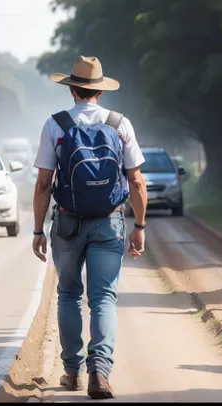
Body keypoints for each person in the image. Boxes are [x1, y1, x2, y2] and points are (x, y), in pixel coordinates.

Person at [31, 55, 148, 399]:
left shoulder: (55, 125)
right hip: (109, 222)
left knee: (68, 294)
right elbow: (137, 181)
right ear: (99, 90)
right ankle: (100, 372)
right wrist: (139, 224)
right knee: (103, 298)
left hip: (67, 221)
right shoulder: (120, 123)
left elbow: (42, 185)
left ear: (72, 89)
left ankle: (72, 372)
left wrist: (38, 230)